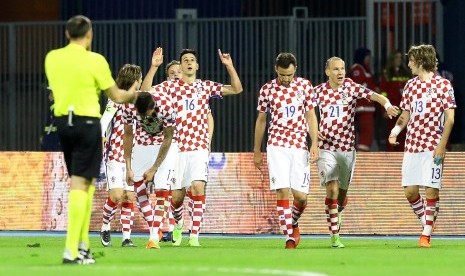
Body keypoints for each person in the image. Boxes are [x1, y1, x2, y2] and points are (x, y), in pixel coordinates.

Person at [44, 15, 138, 264]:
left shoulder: (52, 58)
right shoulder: (95, 60)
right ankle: (71, 249)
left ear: (67, 34)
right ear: (89, 35)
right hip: (87, 125)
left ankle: (83, 246)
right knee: (81, 185)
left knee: (83, 184)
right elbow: (117, 97)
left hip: (63, 124)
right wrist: (136, 96)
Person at [152, 48, 243, 247]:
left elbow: (237, 89)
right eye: (185, 60)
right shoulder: (171, 87)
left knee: (198, 186)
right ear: (181, 65)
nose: (189, 63)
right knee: (176, 198)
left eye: (192, 59)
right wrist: (154, 67)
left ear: (197, 65)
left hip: (199, 146)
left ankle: (194, 235)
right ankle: (178, 223)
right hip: (177, 147)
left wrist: (229, 66)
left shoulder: (205, 86)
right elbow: (145, 90)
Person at [314, 57, 399, 248]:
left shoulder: (351, 87)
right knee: (332, 188)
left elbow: (377, 96)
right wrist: (310, 129)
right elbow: (304, 112)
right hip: (326, 147)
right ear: (327, 72)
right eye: (336, 69)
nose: (340, 72)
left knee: (342, 195)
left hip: (346, 149)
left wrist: (387, 105)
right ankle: (335, 237)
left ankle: (339, 208)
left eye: (342, 68)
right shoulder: (317, 92)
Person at [388, 45, 456, 248]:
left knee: (431, 191)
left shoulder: (444, 85)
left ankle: (425, 235)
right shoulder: (410, 86)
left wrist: (442, 145)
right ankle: (428, 220)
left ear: (419, 61)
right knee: (410, 191)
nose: (408, 64)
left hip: (433, 146)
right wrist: (394, 132)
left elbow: (450, 119)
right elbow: (405, 114)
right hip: (412, 146)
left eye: (411, 60)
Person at [253, 52, 319, 250]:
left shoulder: (305, 86)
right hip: (277, 145)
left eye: (289, 75)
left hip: (299, 146)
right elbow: (261, 120)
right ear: (276, 70)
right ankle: (289, 237)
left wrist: (314, 143)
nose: (286, 79)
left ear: (295, 70)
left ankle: (293, 222)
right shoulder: (267, 90)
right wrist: (257, 150)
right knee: (282, 190)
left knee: (301, 197)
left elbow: (311, 116)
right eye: (282, 75)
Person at [99, 63, 154, 248]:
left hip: (133, 155)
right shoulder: (116, 100)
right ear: (134, 80)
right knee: (116, 196)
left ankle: (126, 238)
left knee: (129, 197)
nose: (140, 83)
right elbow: (104, 121)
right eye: (139, 79)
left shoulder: (138, 101)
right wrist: (102, 136)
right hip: (115, 153)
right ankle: (105, 225)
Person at [380, 50, 411, 151]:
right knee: (392, 134)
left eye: (401, 57)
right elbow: (383, 93)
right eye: (397, 57)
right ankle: (391, 159)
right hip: (392, 109)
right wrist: (384, 109)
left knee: (404, 135)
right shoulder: (387, 73)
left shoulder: (406, 72)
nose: (399, 59)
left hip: (405, 110)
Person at [349, 48, 377, 151]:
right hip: (363, 107)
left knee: (367, 135)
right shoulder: (357, 68)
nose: (369, 59)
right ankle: (362, 160)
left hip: (367, 107)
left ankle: (362, 157)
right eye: (367, 57)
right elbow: (357, 87)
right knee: (366, 135)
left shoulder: (366, 69)